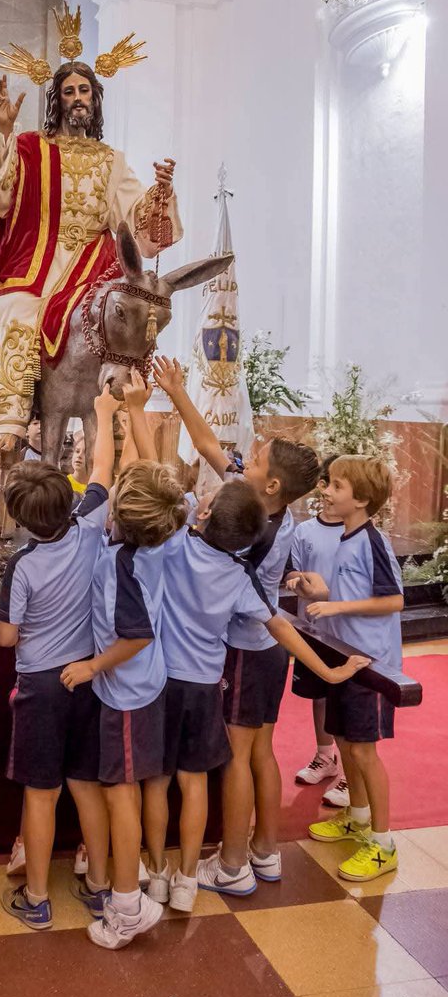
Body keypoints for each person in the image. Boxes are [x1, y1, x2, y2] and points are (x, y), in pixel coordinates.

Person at [153, 355, 320, 895]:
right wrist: (177, 391)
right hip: (263, 648)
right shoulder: (261, 505)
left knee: (238, 758)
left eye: (252, 460)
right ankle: (266, 851)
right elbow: (207, 445)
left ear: (270, 485)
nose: (241, 461)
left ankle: (231, 864)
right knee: (262, 750)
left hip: (249, 647)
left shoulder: (247, 526)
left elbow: (268, 618)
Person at [0, 10, 182, 453]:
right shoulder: (31, 146)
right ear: (57, 99)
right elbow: (0, 198)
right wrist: (4, 131)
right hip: (34, 265)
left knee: (119, 310)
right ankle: (10, 420)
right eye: (68, 91)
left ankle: (114, 412)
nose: (77, 98)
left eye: (84, 90)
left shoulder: (111, 160)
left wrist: (160, 193)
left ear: (95, 100)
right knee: (16, 309)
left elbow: (137, 225)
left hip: (91, 267)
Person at [0, 386, 119, 932]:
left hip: (41, 683)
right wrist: (106, 412)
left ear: (19, 517)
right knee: (88, 785)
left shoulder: (21, 564)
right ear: (67, 499)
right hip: (89, 676)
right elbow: (103, 466)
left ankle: (38, 898)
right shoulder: (90, 523)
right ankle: (98, 887)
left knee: (41, 794)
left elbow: (5, 637)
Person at [61, 459, 186, 950]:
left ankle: (128, 904)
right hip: (145, 685)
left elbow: (135, 635)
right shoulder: (158, 542)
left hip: (127, 694)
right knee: (129, 790)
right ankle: (134, 879)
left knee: (119, 792)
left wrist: (93, 666)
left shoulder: (120, 563)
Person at [290, 456, 404, 882]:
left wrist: (336, 603)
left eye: (336, 486)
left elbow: (393, 601)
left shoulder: (371, 541)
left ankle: (384, 843)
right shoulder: (345, 537)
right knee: (343, 738)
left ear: (361, 500)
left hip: (370, 663)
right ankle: (357, 817)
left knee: (362, 750)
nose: (327, 491)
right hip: (342, 654)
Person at [289, 455, 347, 806]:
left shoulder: (358, 535)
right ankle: (326, 756)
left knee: (346, 701)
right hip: (315, 629)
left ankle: (352, 775)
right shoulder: (304, 531)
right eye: (326, 482)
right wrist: (298, 583)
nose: (327, 491)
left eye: (337, 485)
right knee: (320, 696)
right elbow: (292, 572)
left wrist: (328, 593)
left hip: (348, 631)